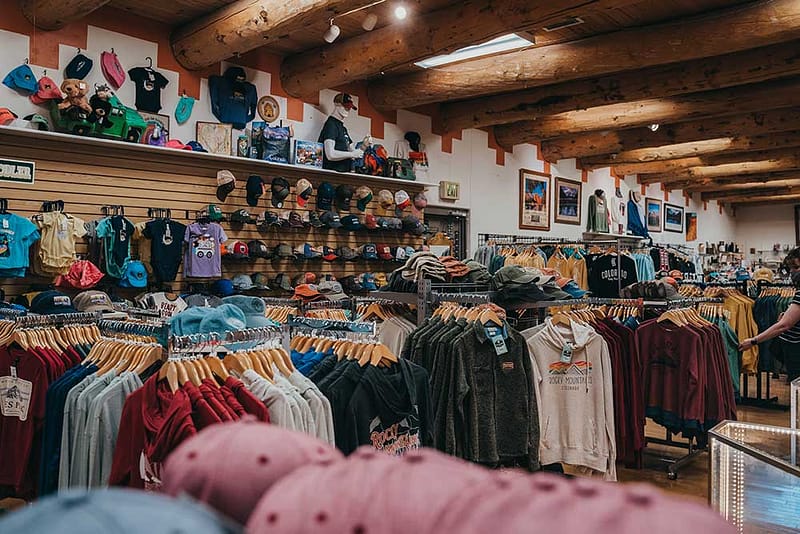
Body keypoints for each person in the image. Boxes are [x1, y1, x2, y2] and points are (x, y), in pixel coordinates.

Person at [739, 248, 800, 370]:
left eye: (796, 267)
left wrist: (753, 341)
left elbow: (784, 325)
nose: (793, 271)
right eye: (792, 268)